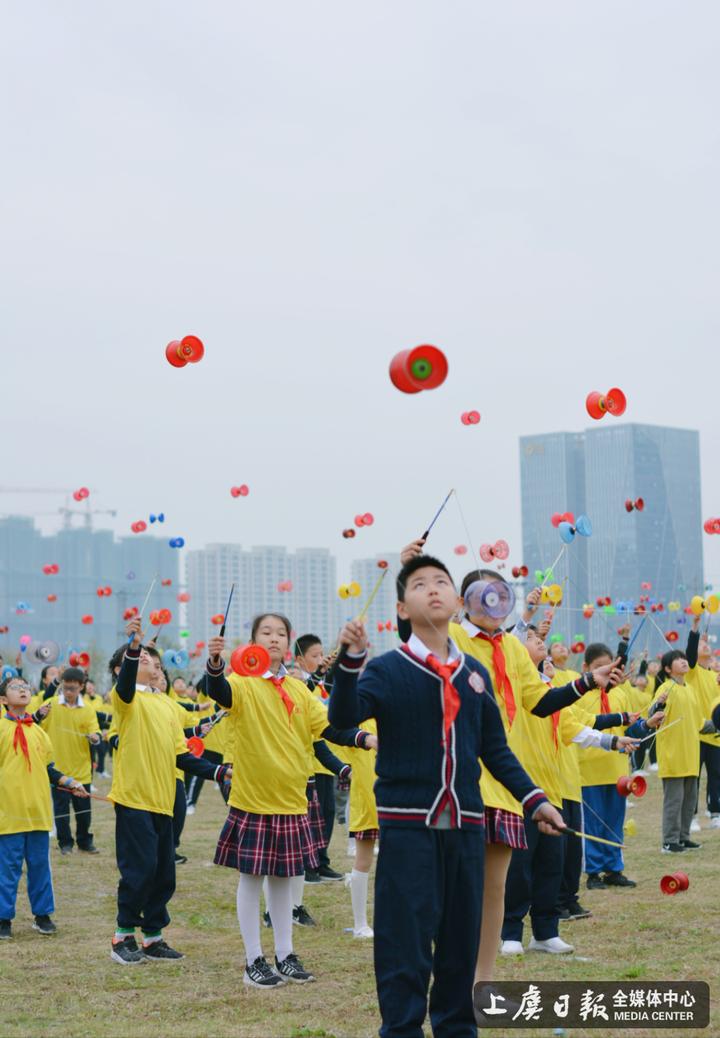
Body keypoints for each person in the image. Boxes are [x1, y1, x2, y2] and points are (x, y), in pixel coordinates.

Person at [329, 554, 566, 1038]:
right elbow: (342, 718)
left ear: (458, 602)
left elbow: (496, 752)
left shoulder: (474, 677)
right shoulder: (387, 670)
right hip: (409, 826)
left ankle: (458, 1028)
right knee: (405, 939)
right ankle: (401, 1029)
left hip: (466, 825)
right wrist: (351, 663)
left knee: (461, 938)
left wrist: (535, 799)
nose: (433, 589)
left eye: (441, 582)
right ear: (401, 608)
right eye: (420, 584)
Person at [204, 612, 375, 989]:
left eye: (281, 633)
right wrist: (215, 663)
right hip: (253, 799)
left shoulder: (299, 690)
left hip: (291, 799)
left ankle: (285, 954)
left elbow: (329, 728)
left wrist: (365, 739)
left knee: (284, 880)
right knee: (251, 881)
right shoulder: (242, 683)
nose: (274, 639)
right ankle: (254, 961)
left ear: (289, 641)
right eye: (266, 632)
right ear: (252, 641)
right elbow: (217, 691)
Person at [107, 617, 232, 964]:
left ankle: (153, 938)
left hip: (165, 799)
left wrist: (219, 771)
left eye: (154, 660)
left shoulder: (165, 704)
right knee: (140, 868)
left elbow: (183, 756)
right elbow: (128, 683)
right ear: (125, 667)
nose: (152, 664)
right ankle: (122, 937)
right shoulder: (126, 700)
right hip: (134, 797)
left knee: (164, 872)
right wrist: (134, 647)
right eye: (144, 659)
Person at [0, 674, 88, 939]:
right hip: (8, 813)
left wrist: (70, 782)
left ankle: (42, 915)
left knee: (40, 865)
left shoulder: (38, 731)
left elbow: (48, 769)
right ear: (4, 700)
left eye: (26, 687)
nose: (23, 690)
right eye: (15, 688)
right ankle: (3, 919)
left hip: (38, 812)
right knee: (8, 868)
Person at [652, 629, 718, 853]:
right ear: (668, 669)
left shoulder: (689, 690)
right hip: (673, 755)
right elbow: (653, 714)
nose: (683, 661)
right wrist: (658, 705)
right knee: (674, 801)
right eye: (677, 660)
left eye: (683, 658)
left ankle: (683, 836)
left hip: (690, 754)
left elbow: (700, 722)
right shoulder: (665, 688)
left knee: (689, 800)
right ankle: (669, 841)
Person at [295, 634, 344, 882]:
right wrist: (319, 673)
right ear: (300, 660)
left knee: (326, 812)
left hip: (325, 760)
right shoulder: (297, 682)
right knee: (309, 818)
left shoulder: (324, 684)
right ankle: (307, 864)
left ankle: (321, 860)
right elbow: (301, 697)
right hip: (308, 761)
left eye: (321, 654)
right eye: (314, 656)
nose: (320, 658)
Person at [40, 666, 101, 855]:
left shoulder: (88, 709)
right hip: (58, 769)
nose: (68, 692)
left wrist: (95, 737)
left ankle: (84, 841)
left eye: (73, 688)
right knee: (61, 811)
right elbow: (37, 725)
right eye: (65, 687)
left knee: (83, 811)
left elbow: (96, 731)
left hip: (81, 769)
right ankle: (65, 843)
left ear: (81, 686)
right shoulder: (51, 705)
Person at [685, 623, 720, 830]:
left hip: (715, 734)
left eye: (707, 644)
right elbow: (690, 654)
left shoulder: (714, 676)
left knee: (717, 775)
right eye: (701, 645)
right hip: (696, 733)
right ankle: (691, 817)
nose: (705, 646)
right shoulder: (693, 671)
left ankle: (715, 812)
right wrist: (695, 629)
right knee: (694, 777)